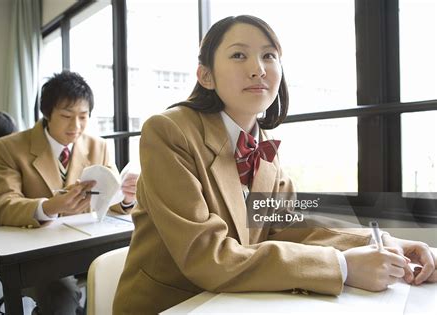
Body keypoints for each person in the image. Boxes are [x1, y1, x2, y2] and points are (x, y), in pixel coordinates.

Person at [112, 15, 437, 314]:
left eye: (269, 55)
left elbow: (290, 224)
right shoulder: (169, 131)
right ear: (205, 75)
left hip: (238, 300)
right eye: (239, 55)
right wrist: (343, 266)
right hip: (174, 304)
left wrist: (379, 243)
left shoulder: (262, 143)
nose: (259, 69)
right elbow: (204, 255)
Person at [0, 71, 138, 314]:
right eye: (67, 116)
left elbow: (111, 198)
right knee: (61, 296)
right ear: (47, 114)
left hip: (89, 245)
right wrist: (51, 206)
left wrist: (127, 198)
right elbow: (0, 206)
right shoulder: (9, 148)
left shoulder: (97, 145)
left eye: (83, 116)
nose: (76, 126)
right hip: (39, 255)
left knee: (130, 275)